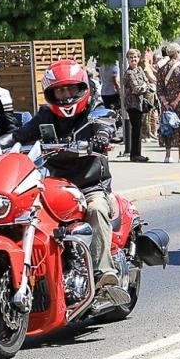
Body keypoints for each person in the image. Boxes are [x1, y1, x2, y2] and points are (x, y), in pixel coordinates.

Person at [11, 60, 120, 287]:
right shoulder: (46, 114)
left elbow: (105, 122)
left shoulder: (94, 109)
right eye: (60, 90)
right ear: (52, 93)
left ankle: (104, 275)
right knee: (25, 212)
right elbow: (21, 134)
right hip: (54, 185)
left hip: (90, 186)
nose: (67, 95)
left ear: (82, 88)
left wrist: (102, 136)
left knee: (97, 209)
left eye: (71, 89)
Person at [155, 40, 180, 163]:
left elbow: (159, 88)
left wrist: (165, 102)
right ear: (176, 53)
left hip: (166, 102)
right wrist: (176, 102)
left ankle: (168, 155)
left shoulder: (162, 69)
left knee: (167, 126)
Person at [121, 48, 153, 163]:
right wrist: (144, 86)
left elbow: (147, 83)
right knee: (136, 128)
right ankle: (135, 154)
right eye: (131, 57)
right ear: (127, 59)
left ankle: (137, 153)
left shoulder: (139, 69)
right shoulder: (129, 73)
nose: (133, 59)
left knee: (139, 128)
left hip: (139, 103)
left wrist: (144, 86)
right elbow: (136, 89)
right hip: (132, 104)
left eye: (135, 57)